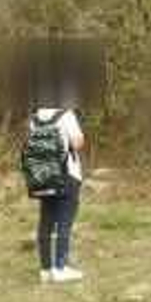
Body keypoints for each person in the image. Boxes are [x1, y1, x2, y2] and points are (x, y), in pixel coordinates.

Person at [32, 100, 85, 283]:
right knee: (65, 221)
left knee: (45, 222)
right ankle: (61, 267)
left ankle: (45, 270)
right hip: (67, 174)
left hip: (44, 176)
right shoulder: (66, 114)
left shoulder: (35, 117)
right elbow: (78, 143)